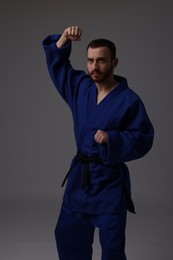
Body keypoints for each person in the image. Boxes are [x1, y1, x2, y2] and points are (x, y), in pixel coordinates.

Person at [42, 26, 154, 260]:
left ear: (114, 62)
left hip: (109, 183)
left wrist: (113, 139)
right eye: (90, 61)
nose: (94, 67)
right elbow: (59, 68)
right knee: (67, 236)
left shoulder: (129, 100)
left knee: (112, 248)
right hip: (80, 181)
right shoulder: (81, 88)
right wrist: (62, 40)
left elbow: (143, 137)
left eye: (101, 61)